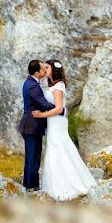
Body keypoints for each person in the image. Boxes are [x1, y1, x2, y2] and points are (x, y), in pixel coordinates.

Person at [32, 59, 97, 200]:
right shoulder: (54, 85)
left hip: (57, 122)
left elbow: (59, 108)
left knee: (58, 147)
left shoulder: (59, 86)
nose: (45, 69)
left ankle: (67, 184)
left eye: (47, 67)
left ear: (53, 70)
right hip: (53, 122)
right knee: (55, 147)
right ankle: (54, 183)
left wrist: (42, 114)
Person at [17, 59, 56, 191]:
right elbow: (43, 104)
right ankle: (32, 187)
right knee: (33, 157)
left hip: (29, 125)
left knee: (30, 157)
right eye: (42, 69)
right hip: (32, 125)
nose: (45, 70)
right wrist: (59, 108)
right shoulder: (33, 86)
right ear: (36, 72)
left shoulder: (30, 82)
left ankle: (27, 186)